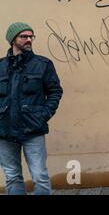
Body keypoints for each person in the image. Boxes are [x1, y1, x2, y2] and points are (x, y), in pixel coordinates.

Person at [0, 22, 63, 195]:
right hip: (4, 131)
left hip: (32, 129)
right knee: (12, 176)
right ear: (13, 39)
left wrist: (44, 114)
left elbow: (55, 91)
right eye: (24, 36)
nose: (29, 40)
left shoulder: (43, 64)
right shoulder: (1, 66)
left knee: (40, 176)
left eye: (31, 36)